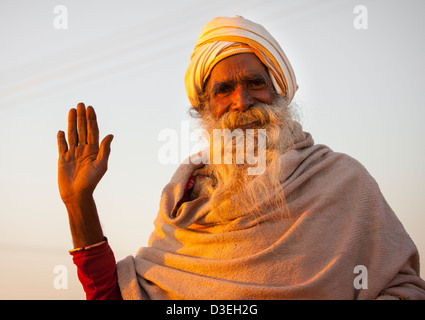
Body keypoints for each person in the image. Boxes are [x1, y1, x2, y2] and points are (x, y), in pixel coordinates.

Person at [57, 16, 425, 300]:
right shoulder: (186, 197)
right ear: (206, 109)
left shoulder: (343, 181)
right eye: (224, 90)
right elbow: (115, 294)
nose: (241, 102)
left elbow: (404, 287)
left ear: (278, 92)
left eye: (254, 84)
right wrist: (79, 203)